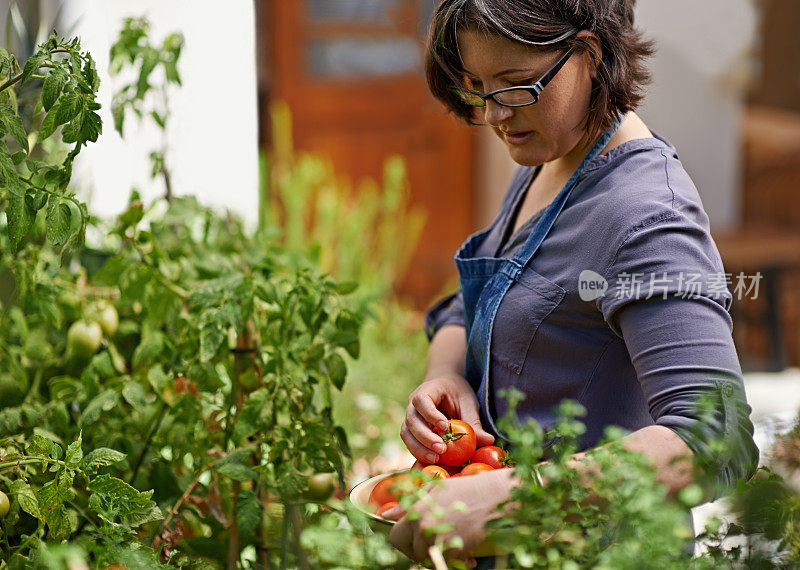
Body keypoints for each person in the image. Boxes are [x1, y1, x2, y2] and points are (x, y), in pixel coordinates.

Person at [384, 0, 759, 565]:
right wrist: (444, 378)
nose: (494, 114)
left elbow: (715, 439)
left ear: (589, 53)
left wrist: (520, 501)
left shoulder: (646, 214)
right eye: (478, 85)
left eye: (515, 84)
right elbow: (474, 303)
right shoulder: (548, 162)